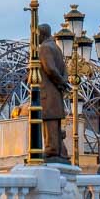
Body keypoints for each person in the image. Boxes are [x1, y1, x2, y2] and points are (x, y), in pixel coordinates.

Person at [37, 23, 70, 161]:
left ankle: (51, 150)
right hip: (56, 92)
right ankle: (60, 151)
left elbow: (49, 68)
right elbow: (65, 69)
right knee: (55, 123)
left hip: (48, 91)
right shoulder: (56, 47)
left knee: (49, 120)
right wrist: (63, 82)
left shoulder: (44, 47)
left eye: (36, 34)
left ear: (41, 34)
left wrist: (61, 82)